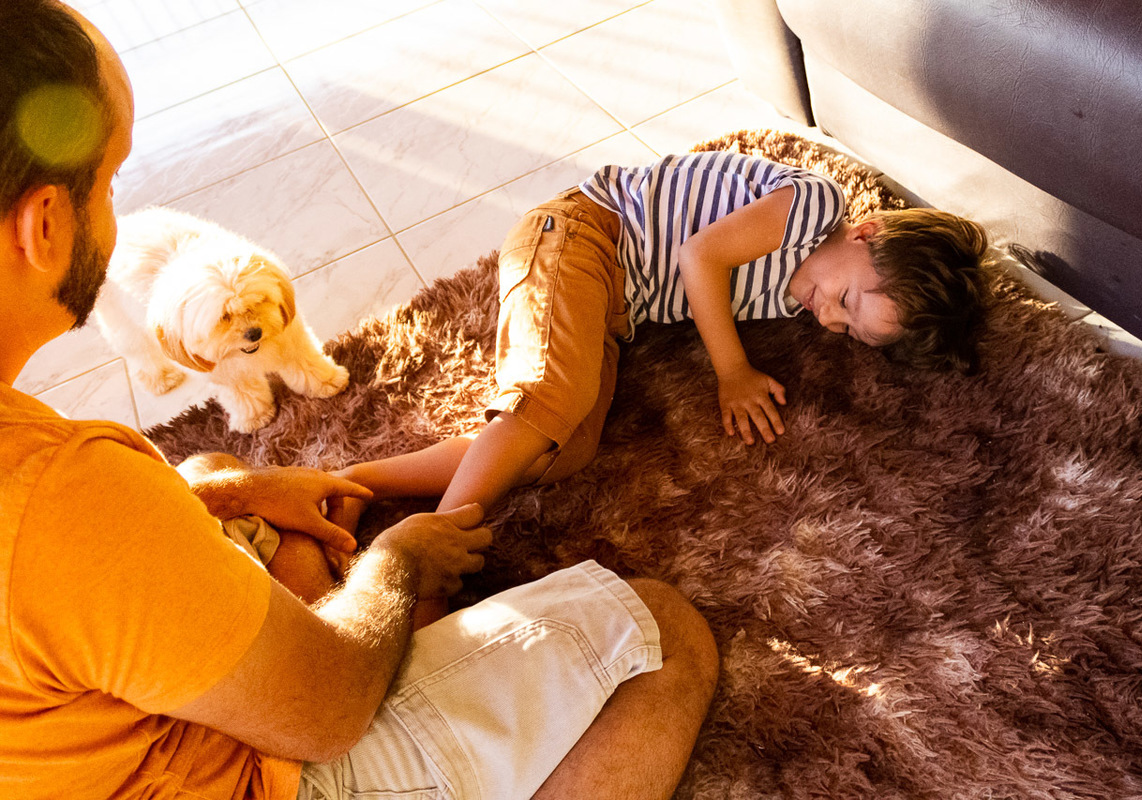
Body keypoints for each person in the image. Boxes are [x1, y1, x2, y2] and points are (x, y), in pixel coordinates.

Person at [0, 2, 719, 799]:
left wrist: (233, 489)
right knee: (663, 629)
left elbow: (72, 581)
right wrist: (399, 562)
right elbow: (331, 710)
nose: (119, 210)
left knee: (209, 467)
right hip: (265, 762)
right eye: (110, 181)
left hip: (98, 726)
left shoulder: (67, 496)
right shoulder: (64, 496)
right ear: (43, 225)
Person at [332, 151, 992, 530]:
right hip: (581, 237)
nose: (830, 320)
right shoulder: (813, 206)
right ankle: (429, 553)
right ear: (866, 232)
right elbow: (700, 257)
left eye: (848, 331)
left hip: (615, 309)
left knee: (565, 447)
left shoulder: (800, 292)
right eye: (846, 301)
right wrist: (731, 371)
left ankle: (356, 483)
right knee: (547, 400)